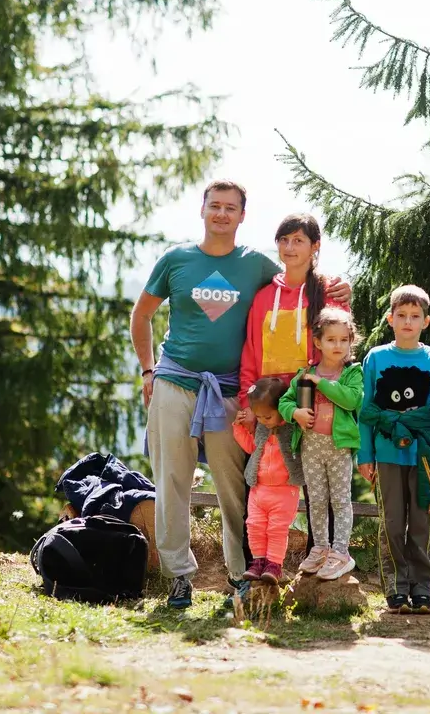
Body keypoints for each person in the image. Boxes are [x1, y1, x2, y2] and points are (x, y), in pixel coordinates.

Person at [130, 180, 349, 609]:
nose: (222, 214)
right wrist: (147, 370)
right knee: (172, 481)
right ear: (203, 210)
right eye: (215, 206)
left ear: (242, 216)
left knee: (235, 485)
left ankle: (239, 574)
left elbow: (294, 282)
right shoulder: (176, 260)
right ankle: (179, 576)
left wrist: (336, 288)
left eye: (231, 208)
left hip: (230, 392)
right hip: (174, 379)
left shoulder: (254, 265)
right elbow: (142, 316)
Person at [237, 214, 350, 559]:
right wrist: (249, 401)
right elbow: (251, 352)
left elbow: (338, 346)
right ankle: (257, 568)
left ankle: (329, 558)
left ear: (315, 247)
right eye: (284, 240)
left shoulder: (329, 292)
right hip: (271, 406)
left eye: (298, 240)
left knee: (323, 488)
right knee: (260, 485)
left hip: (312, 406)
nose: (290, 247)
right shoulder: (263, 297)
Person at [357, 285, 430, 614]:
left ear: (426, 321)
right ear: (390, 319)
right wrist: (366, 454)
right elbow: (367, 409)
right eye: (401, 316)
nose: (408, 322)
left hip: (426, 457)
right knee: (393, 522)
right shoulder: (376, 358)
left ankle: (423, 588)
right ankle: (396, 588)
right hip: (386, 456)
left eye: (415, 316)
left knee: (423, 522)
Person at [278, 308, 362, 580]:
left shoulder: (352, 373)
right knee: (315, 500)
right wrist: (295, 413)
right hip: (310, 448)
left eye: (343, 340)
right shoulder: (305, 374)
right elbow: (284, 401)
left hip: (339, 448)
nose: (338, 345)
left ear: (351, 341)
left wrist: (321, 384)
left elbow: (351, 400)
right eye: (331, 340)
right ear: (318, 342)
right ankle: (321, 548)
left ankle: (341, 552)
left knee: (340, 501)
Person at [233, 378, 303, 584]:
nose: (263, 420)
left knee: (277, 529)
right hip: (259, 489)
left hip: (284, 490)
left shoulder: (291, 429)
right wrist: (238, 429)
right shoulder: (262, 428)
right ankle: (258, 562)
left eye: (268, 416)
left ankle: (274, 565)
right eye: (260, 417)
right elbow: (252, 449)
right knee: (254, 525)